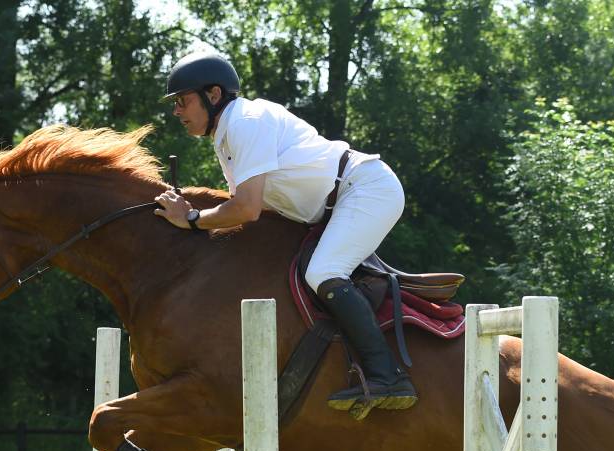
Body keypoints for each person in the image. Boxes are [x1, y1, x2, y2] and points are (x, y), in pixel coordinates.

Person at [153, 52, 417, 416]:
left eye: (183, 101)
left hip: (366, 189)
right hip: (338, 202)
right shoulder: (228, 134)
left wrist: (192, 219)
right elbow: (253, 209)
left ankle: (386, 375)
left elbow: (246, 208)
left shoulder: (244, 122)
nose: (177, 112)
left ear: (213, 95)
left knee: (323, 272)